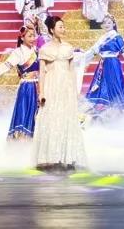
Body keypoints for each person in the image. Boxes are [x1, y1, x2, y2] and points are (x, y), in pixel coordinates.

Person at [33, 16, 86, 171]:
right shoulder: (45, 49)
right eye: (60, 27)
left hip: (66, 87)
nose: (63, 29)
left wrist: (75, 89)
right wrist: (41, 92)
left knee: (66, 118)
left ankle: (68, 157)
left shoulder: (68, 48)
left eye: (63, 26)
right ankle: (49, 157)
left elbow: (72, 71)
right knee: (51, 118)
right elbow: (42, 73)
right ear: (51, 30)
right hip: (51, 85)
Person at [0, 24, 41, 139]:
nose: (32, 39)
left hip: (39, 86)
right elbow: (3, 68)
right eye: (29, 36)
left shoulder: (36, 50)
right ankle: (22, 141)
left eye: (33, 36)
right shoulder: (18, 53)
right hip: (27, 88)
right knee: (24, 114)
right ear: (22, 38)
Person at [80, 13, 124, 119]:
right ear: (102, 25)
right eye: (105, 23)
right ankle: (104, 112)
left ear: (114, 24)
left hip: (112, 64)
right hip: (102, 64)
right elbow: (92, 51)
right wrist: (81, 57)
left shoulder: (117, 37)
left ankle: (118, 112)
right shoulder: (102, 38)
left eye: (109, 23)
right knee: (101, 85)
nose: (107, 25)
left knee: (113, 85)